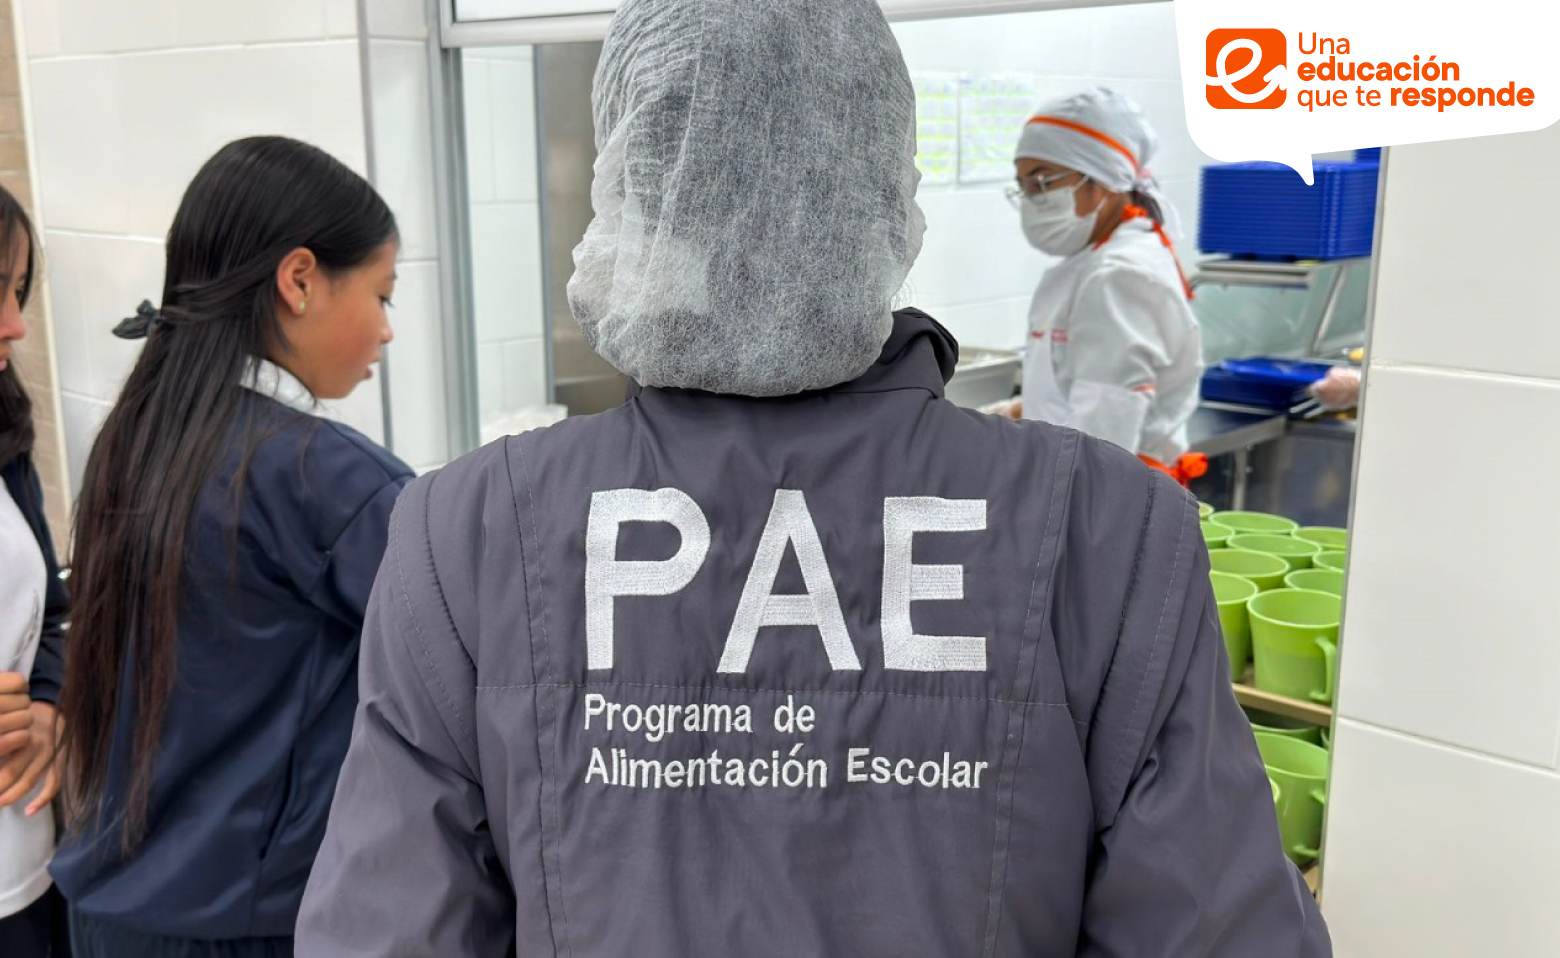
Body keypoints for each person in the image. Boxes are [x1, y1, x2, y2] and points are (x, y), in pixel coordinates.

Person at [298, 2, 1330, 955]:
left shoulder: (467, 532)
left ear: (633, 194)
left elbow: (387, 933)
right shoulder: (1111, 531)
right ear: (882, 184)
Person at [51, 137, 413, 958]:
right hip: (246, 925)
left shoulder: (141, 433)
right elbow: (477, 660)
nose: (387, 332)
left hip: (113, 912)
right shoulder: (326, 478)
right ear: (298, 280)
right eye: (383, 295)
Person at [1011, 87, 1206, 483]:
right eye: (1024, 186)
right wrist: (1017, 414)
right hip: (1085, 490)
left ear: (1102, 180)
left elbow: (1101, 444)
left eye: (1042, 183)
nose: (1032, 200)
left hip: (1103, 504)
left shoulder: (1119, 274)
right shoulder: (1096, 260)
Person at [0, 184, 71, 957]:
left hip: (25, 871)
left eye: (19, 291)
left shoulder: (6, 443)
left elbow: (48, 612)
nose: (17, 324)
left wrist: (50, 706)